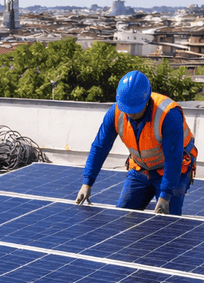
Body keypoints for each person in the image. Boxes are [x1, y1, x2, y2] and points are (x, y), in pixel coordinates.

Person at [76, 70, 196, 215]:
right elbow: (100, 147)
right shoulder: (116, 113)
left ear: (146, 102)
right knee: (125, 216)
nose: (130, 114)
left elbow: (173, 158)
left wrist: (165, 195)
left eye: (135, 110)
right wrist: (87, 182)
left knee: (168, 221)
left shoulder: (168, 115)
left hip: (173, 169)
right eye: (126, 109)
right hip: (141, 169)